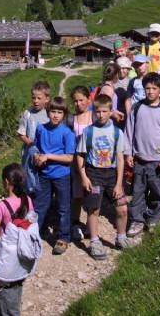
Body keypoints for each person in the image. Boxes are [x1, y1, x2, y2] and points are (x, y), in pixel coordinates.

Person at [75, 94, 130, 260]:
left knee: (122, 208)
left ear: (111, 111)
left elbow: (120, 158)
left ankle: (121, 237)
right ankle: (94, 241)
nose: (101, 115)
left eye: (105, 111)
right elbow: (80, 155)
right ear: (94, 112)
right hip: (94, 174)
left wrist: (120, 183)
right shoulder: (88, 132)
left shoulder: (117, 132)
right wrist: (84, 177)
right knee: (94, 208)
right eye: (98, 111)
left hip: (112, 174)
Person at [124, 73, 160, 237]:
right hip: (140, 159)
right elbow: (129, 132)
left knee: (157, 191)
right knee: (138, 192)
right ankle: (137, 220)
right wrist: (128, 153)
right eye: (147, 88)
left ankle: (154, 217)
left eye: (154, 88)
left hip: (158, 161)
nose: (150, 91)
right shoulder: (137, 108)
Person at [0, 164, 39, 316]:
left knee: (7, 287)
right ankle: (15, 308)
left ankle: (12, 312)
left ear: (6, 182)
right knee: (18, 280)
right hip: (24, 248)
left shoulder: (2, 205)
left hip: (8, 251)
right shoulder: (28, 200)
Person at [32, 96, 76, 255]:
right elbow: (36, 147)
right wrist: (37, 156)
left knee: (63, 208)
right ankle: (35, 234)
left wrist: (48, 156)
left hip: (61, 175)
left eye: (59, 112)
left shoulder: (67, 133)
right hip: (44, 174)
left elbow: (69, 157)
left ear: (64, 114)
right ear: (48, 112)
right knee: (40, 206)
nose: (56, 115)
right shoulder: (41, 128)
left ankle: (63, 238)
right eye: (53, 112)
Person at [68, 85, 94, 241]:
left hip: (93, 161)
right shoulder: (71, 119)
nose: (78, 104)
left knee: (93, 193)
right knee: (77, 194)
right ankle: (76, 222)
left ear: (88, 100)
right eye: (75, 101)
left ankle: (92, 223)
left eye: (81, 100)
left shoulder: (95, 116)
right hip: (76, 163)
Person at [18, 81, 51, 192]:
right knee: (30, 177)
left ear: (47, 98)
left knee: (44, 178)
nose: (36, 101)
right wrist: (31, 144)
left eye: (39, 98)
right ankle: (30, 198)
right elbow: (21, 133)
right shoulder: (27, 113)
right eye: (34, 98)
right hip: (30, 151)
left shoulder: (50, 113)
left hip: (46, 151)